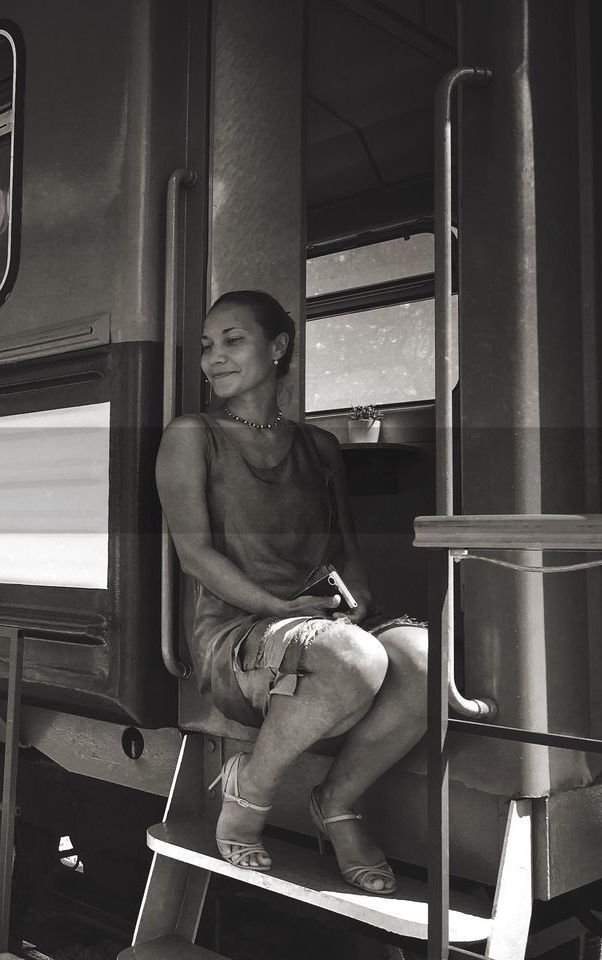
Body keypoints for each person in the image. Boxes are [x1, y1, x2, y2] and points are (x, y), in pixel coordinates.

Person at [154, 289, 428, 895]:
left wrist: (354, 600)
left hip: (318, 618)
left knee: (427, 661)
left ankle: (337, 803)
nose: (214, 358)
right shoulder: (191, 435)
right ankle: (248, 789)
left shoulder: (320, 446)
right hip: (238, 631)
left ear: (278, 349)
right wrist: (279, 608)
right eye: (206, 346)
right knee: (352, 658)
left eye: (232, 340)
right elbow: (194, 555)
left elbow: (347, 549)